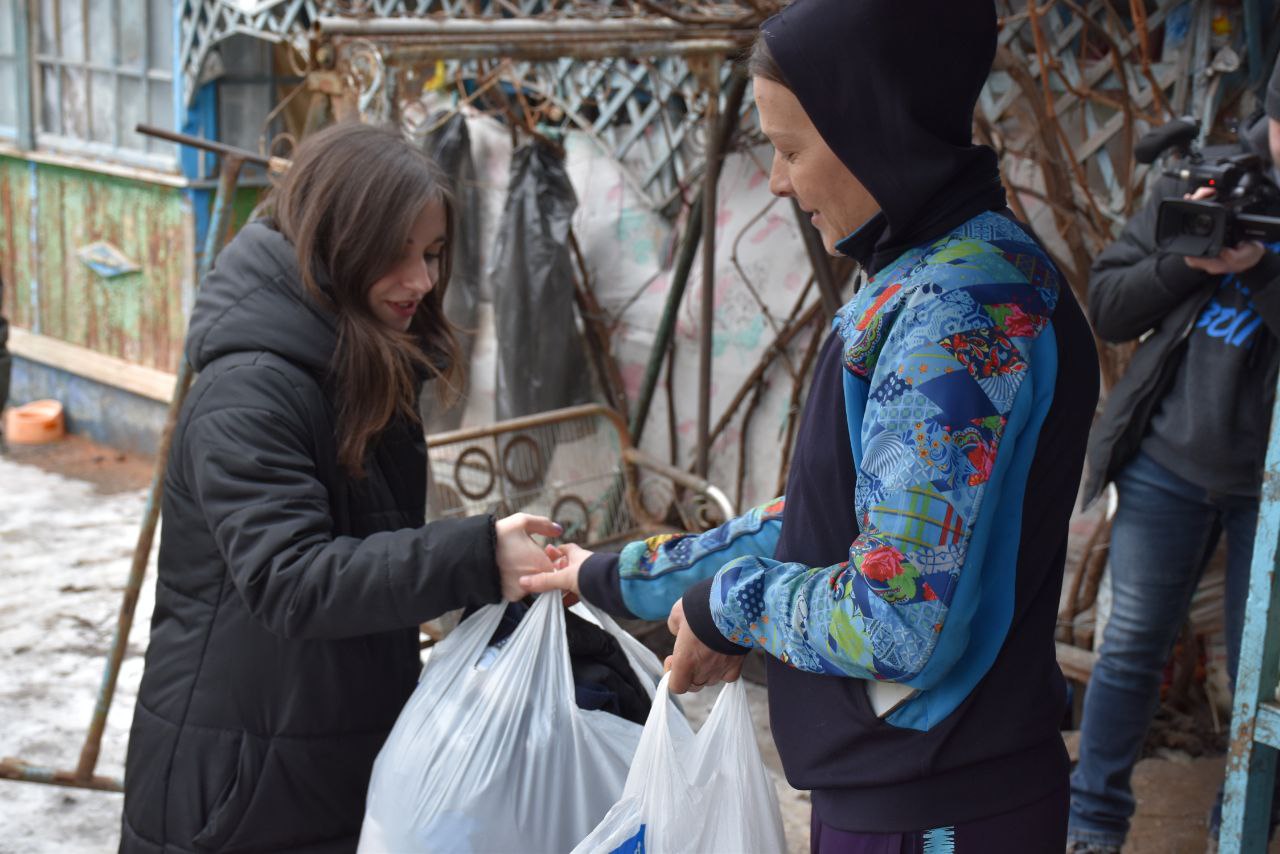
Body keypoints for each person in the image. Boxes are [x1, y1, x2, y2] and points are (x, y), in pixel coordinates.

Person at [525, 1, 1099, 850]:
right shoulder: (929, 276)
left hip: (936, 813)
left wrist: (730, 606)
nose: (781, 182)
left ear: (875, 130)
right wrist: (619, 576)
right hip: (901, 794)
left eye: (791, 150)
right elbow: (832, 525)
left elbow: (896, 615)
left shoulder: (961, 308)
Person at [119, 123, 561, 853]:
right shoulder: (251, 391)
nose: (421, 281)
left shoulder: (358, 361)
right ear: (336, 243)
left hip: (317, 759)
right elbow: (291, 578)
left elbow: (366, 554)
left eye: (431, 254)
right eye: (397, 254)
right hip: (236, 790)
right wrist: (476, 556)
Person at [1067, 57, 1280, 854]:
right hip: (1166, 466)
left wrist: (1261, 274)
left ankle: (1243, 827)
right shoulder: (1211, 175)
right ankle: (1091, 826)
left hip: (1271, 488)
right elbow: (1110, 306)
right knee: (1126, 652)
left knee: (1263, 682)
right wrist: (1186, 259)